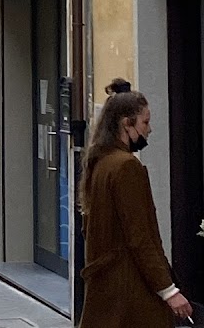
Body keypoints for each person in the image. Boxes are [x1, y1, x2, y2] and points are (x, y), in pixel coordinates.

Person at [78, 77, 193, 327]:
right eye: (145, 122)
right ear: (126, 124)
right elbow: (140, 236)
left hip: (108, 288)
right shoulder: (126, 166)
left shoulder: (101, 162)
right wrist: (169, 290)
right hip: (130, 291)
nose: (149, 129)